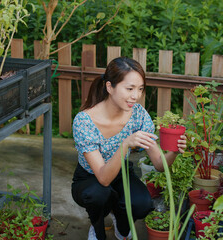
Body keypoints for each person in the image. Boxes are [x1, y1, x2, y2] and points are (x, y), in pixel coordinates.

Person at [71, 57, 187, 240]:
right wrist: (125, 144)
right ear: (110, 87)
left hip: (121, 174)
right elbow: (103, 177)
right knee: (99, 195)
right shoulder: (84, 121)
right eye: (130, 88)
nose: (136, 96)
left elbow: (159, 164)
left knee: (142, 204)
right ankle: (97, 225)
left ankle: (119, 217)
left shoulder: (138, 115)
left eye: (140, 89)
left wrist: (174, 152)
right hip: (90, 178)